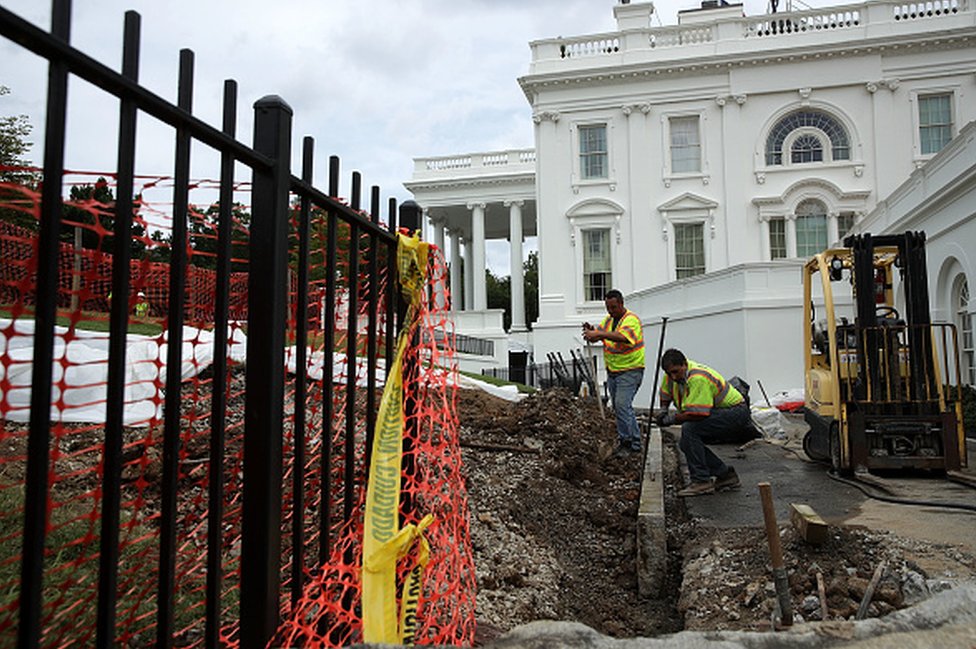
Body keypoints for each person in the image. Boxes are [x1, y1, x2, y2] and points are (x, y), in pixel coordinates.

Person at [655, 348, 749, 496]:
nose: (673, 377)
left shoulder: (698, 378)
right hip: (719, 412)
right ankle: (725, 475)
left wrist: (673, 419)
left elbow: (698, 413)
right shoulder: (670, 377)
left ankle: (701, 481)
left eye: (676, 372)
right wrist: (663, 410)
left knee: (690, 429)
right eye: (669, 373)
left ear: (684, 365)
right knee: (686, 442)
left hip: (735, 413)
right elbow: (665, 393)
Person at [582, 289, 645, 456]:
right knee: (621, 407)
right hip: (614, 372)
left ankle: (629, 442)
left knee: (622, 405)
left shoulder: (631, 320)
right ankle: (633, 442)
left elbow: (623, 337)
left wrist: (599, 333)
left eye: (614, 307)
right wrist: (591, 332)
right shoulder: (609, 321)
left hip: (630, 370)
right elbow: (599, 335)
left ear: (621, 304)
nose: (611, 311)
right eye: (608, 307)